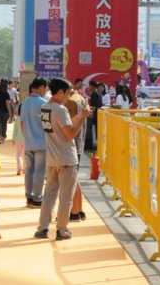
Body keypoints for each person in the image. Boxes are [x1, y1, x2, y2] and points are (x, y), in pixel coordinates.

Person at [35, 79, 88, 240]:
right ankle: (62, 229)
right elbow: (69, 134)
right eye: (67, 92)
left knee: (49, 194)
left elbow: (59, 129)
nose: (68, 96)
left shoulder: (45, 107)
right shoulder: (60, 110)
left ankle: (43, 228)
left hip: (52, 158)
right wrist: (82, 118)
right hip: (66, 158)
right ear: (60, 92)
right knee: (66, 197)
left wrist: (79, 117)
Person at [20, 78, 48, 207]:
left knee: (29, 170)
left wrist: (26, 137)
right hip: (42, 142)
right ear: (41, 87)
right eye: (45, 87)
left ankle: (29, 196)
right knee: (39, 171)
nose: (46, 90)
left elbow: (22, 123)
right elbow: (48, 125)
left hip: (28, 142)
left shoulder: (25, 102)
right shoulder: (44, 102)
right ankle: (37, 198)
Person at [67, 84, 89, 222]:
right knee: (74, 179)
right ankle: (78, 210)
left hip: (71, 144)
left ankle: (74, 211)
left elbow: (69, 124)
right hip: (79, 142)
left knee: (71, 180)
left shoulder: (70, 102)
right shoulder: (80, 98)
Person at [0, 79, 14, 144]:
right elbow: (7, 104)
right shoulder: (6, 94)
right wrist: (10, 113)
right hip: (5, 111)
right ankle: (3, 136)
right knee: (4, 124)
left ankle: (0, 136)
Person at [84, 80, 103, 153]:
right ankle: (95, 145)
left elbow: (94, 106)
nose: (88, 87)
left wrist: (91, 113)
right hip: (97, 115)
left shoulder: (94, 94)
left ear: (92, 86)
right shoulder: (96, 94)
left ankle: (94, 146)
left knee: (94, 130)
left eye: (89, 85)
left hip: (95, 116)